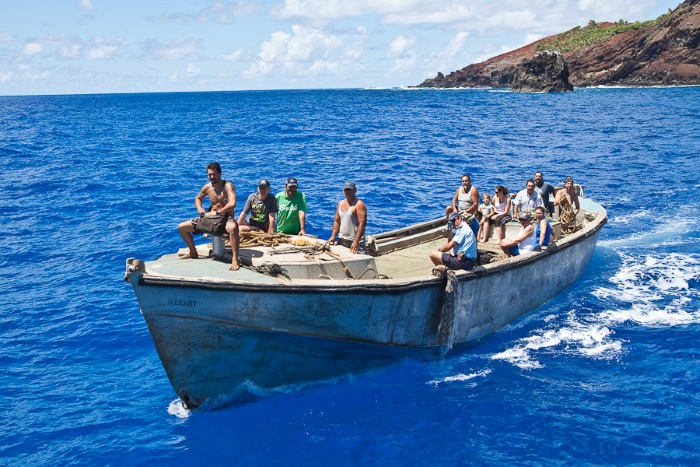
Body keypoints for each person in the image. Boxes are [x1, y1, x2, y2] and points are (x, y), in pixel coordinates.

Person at [177, 162, 240, 271]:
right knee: (182, 227)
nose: (212, 177)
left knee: (232, 228)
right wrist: (199, 208)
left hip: (225, 218)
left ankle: (235, 259)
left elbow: (232, 203)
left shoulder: (228, 186)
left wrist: (218, 212)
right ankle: (193, 251)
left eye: (214, 174)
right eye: (209, 175)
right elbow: (198, 198)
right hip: (210, 218)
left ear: (220, 173)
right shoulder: (207, 187)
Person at [328, 181, 368, 254]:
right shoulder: (340, 204)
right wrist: (333, 236)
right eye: (346, 190)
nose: (348, 192)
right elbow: (337, 221)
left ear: (355, 190)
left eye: (350, 190)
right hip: (342, 240)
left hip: (354, 241)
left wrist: (356, 241)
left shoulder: (359, 205)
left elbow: (362, 224)